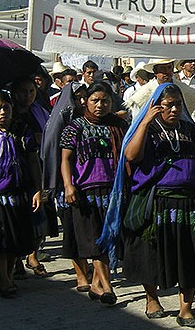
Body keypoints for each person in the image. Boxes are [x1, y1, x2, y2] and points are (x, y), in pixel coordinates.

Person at [113, 83, 195, 327]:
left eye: (178, 104)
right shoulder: (148, 129)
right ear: (156, 106)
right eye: (168, 105)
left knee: (189, 254)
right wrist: (145, 122)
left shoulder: (190, 129)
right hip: (156, 202)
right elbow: (131, 156)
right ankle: (152, 298)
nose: (174, 109)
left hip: (189, 202)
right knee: (152, 253)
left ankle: (185, 309)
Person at [60, 82, 127, 305]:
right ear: (85, 102)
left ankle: (97, 284)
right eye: (95, 100)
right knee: (95, 239)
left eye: (105, 100)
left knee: (109, 238)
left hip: (113, 189)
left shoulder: (119, 125)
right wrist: (68, 186)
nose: (100, 105)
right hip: (86, 190)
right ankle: (107, 287)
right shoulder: (75, 127)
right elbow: (65, 159)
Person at [0, 91, 42, 297]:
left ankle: (9, 275)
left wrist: (38, 189)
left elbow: (32, 161)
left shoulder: (22, 131)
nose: (3, 112)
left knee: (14, 240)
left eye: (7, 107)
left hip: (17, 193)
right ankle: (4, 280)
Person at [41, 82, 93, 292]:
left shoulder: (90, 121)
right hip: (67, 186)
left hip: (89, 183)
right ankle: (80, 274)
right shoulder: (61, 121)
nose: (81, 102)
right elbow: (52, 154)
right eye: (77, 98)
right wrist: (65, 184)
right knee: (72, 230)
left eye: (84, 97)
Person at [10, 77, 54, 278]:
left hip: (40, 167)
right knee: (17, 216)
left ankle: (33, 254)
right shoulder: (7, 114)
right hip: (15, 171)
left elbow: (50, 133)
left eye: (31, 91)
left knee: (40, 215)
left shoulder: (39, 112)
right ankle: (16, 259)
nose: (27, 96)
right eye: (23, 91)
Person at [124, 58, 195, 121]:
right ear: (155, 71)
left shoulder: (184, 89)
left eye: (169, 68)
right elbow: (137, 120)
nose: (167, 72)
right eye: (162, 68)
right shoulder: (143, 95)